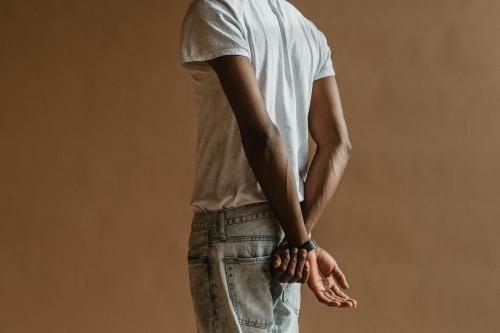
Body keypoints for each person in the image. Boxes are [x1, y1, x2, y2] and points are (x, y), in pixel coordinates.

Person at [179, 0, 357, 331]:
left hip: (235, 229)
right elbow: (337, 144)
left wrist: (301, 244)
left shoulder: (217, 9)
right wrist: (300, 240)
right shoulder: (307, 31)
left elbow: (262, 136)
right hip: (286, 230)